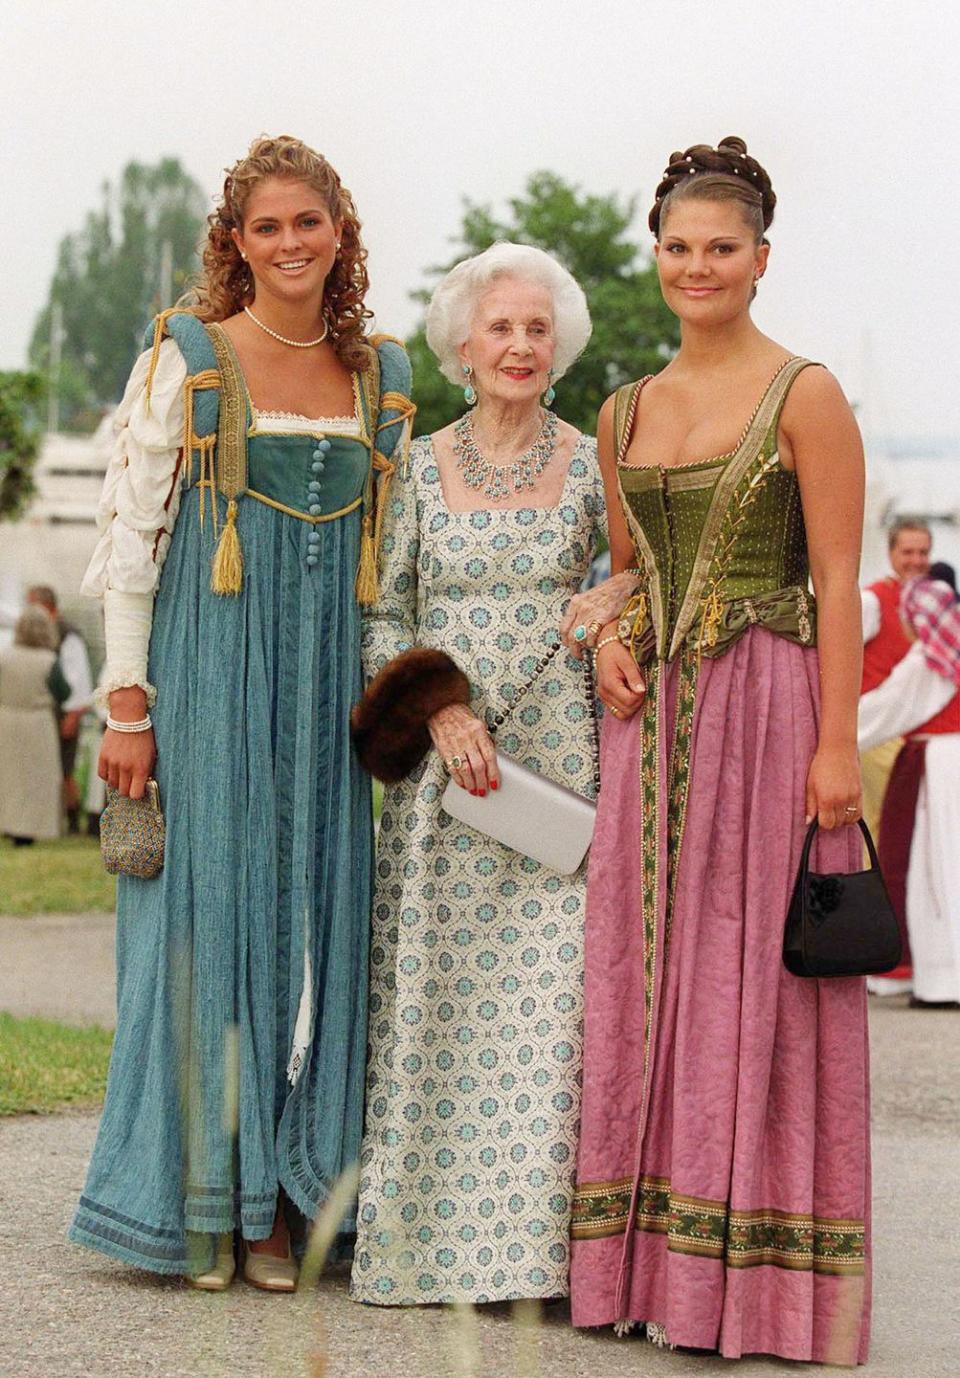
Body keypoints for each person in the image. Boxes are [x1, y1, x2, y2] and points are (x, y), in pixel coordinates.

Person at [69, 135, 412, 1291]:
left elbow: (410, 552)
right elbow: (133, 533)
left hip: (334, 678)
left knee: (322, 922)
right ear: (235, 242)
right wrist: (127, 704)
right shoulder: (191, 355)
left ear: (339, 231)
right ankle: (206, 1200)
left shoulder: (385, 375)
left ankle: (290, 1190)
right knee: (208, 920)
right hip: (213, 659)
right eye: (265, 227)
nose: (289, 244)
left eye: (307, 222)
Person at [568, 138, 870, 1365]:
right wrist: (604, 636)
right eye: (678, 247)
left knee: (759, 981)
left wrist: (840, 742)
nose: (698, 267)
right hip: (653, 729)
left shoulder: (806, 391)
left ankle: (757, 1293)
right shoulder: (623, 408)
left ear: (760, 259)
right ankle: (650, 1275)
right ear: (657, 258)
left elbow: (842, 576)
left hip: (773, 709)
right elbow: (628, 576)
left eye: (721, 248)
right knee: (644, 977)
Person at [349, 243, 615, 1307]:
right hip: (447, 781)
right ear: (464, 346)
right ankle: (425, 1250)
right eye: (500, 328)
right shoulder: (417, 465)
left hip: (558, 765)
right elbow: (383, 616)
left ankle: (535, 1259)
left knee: (549, 1012)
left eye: (537, 329)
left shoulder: (594, 463)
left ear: (559, 349)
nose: (519, 345)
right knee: (441, 1010)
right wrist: (442, 706)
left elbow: (644, 571)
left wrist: (617, 597)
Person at [859, 576, 960, 1006]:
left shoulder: (927, 660)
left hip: (938, 766)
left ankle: (942, 980)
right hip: (940, 761)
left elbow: (885, 710)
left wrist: (827, 734)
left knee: (936, 872)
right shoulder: (948, 654)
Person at [858, 518, 932, 994]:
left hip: (914, 740)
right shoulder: (873, 602)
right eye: (909, 552)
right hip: (874, 735)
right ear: (891, 554)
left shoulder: (932, 606)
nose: (917, 561)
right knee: (881, 843)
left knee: (911, 842)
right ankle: (880, 947)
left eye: (923, 552)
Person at [26, 585, 93, 833]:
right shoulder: (37, 634)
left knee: (65, 769)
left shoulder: (68, 635)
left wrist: (73, 716)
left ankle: (73, 821)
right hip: (46, 711)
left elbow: (80, 679)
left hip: (66, 711)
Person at [0, 606, 70, 843]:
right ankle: (29, 829)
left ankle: (8, 824)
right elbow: (64, 692)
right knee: (36, 778)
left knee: (8, 776)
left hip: (7, 719)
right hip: (38, 722)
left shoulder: (4, 656)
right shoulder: (49, 660)